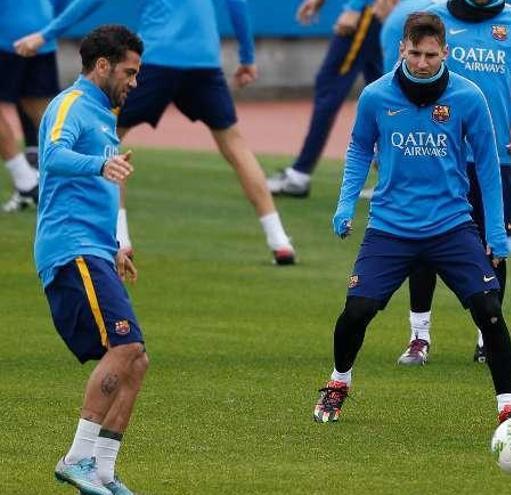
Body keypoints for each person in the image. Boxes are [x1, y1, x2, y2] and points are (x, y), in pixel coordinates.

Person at [313, 12, 511, 425]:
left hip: (451, 227)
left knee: (490, 310)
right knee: (356, 311)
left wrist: (495, 229)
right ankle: (338, 383)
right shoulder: (375, 96)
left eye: (431, 54)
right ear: (401, 50)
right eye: (415, 53)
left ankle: (508, 408)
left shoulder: (468, 97)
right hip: (390, 229)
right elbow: (358, 150)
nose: (422, 62)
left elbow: (488, 164)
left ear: (445, 52)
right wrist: (345, 204)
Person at [16, 0, 297, 265]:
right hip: (203, 59)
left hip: (156, 57)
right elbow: (238, 4)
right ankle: (279, 239)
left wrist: (46, 35)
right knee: (235, 146)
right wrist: (247, 56)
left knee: (109, 140)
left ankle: (120, 240)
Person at [396, 0, 511, 366]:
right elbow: (400, 80)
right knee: (423, 238)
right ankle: (419, 336)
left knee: (495, 242)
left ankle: (486, 340)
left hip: (495, 155)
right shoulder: (431, 19)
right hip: (439, 155)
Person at [36, 25, 149, 495]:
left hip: (94, 249)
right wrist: (99, 164)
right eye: (130, 71)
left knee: (136, 359)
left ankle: (102, 468)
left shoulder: (104, 116)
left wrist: (114, 247)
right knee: (123, 349)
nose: (135, 81)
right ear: (102, 66)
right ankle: (77, 458)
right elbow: (52, 156)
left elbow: (89, 193)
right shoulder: (69, 105)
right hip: (69, 247)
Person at [266, 0, 384, 198]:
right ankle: (397, 180)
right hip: (377, 10)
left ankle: (299, 175)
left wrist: (355, 8)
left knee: (330, 86)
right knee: (384, 92)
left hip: (368, 12)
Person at [0, 0, 59, 212]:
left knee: (43, 114)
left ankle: (26, 183)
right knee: (42, 113)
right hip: (40, 32)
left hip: (8, 35)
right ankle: (81, 183)